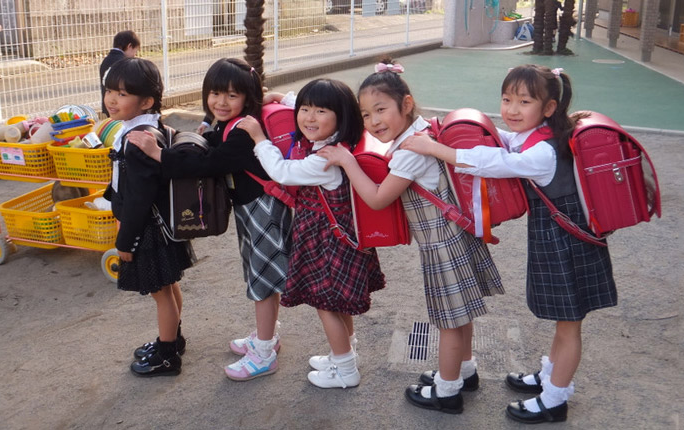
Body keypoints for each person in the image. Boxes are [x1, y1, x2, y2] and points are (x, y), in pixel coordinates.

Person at [400, 64, 617, 423]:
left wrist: (437, 149)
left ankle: (555, 400)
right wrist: (449, 130)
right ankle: (550, 377)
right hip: (557, 237)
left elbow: (495, 161)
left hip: (569, 243)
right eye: (506, 99)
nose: (512, 110)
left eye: (524, 101)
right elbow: (500, 139)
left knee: (569, 323)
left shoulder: (543, 151)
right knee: (564, 318)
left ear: (547, 108)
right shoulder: (537, 133)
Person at [318, 59, 503, 412]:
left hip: (442, 243)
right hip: (454, 236)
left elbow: (376, 197)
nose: (373, 122)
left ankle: (448, 392)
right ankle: (465, 371)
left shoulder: (409, 152)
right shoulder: (420, 130)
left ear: (405, 103)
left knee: (449, 319)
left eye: (381, 110)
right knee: (460, 314)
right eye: (366, 115)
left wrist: (347, 161)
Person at [127, 57, 292, 381]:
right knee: (261, 275)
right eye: (215, 93)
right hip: (254, 209)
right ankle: (266, 338)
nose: (221, 101)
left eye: (232, 95)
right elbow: (212, 148)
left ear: (248, 96)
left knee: (262, 281)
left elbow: (209, 163)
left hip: (263, 212)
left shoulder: (244, 131)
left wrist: (159, 153)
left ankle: (263, 354)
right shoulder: (237, 123)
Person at [237, 78, 386, 389]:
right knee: (338, 302)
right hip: (339, 237)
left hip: (327, 242)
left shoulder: (324, 160)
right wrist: (285, 97)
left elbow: (281, 172)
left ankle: (345, 370)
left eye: (320, 111)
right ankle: (345, 353)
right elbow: (312, 107)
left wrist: (258, 136)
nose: (308, 117)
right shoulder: (340, 143)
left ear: (341, 117)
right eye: (304, 109)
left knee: (327, 304)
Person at [103, 57, 196, 377]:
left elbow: (139, 197)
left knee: (160, 292)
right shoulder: (146, 127)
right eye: (110, 91)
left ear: (147, 101)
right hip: (158, 225)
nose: (112, 99)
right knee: (167, 287)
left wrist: (125, 239)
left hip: (146, 229)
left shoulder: (138, 140)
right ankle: (172, 338)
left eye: (122, 94)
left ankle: (167, 355)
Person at [100, 30, 140, 117]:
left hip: (109, 106)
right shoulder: (124, 62)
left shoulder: (106, 60)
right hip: (122, 108)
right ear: (129, 46)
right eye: (135, 51)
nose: (134, 55)